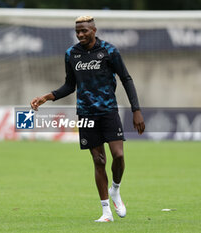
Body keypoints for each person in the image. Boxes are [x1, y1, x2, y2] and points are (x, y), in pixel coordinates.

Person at [30, 16, 145, 222]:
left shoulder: (109, 51)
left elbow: (126, 79)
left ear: (94, 30)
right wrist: (47, 96)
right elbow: (69, 85)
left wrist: (136, 110)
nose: (81, 34)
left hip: (109, 111)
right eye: (78, 32)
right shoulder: (71, 54)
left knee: (118, 155)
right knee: (98, 161)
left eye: (84, 31)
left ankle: (116, 190)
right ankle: (106, 212)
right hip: (85, 113)